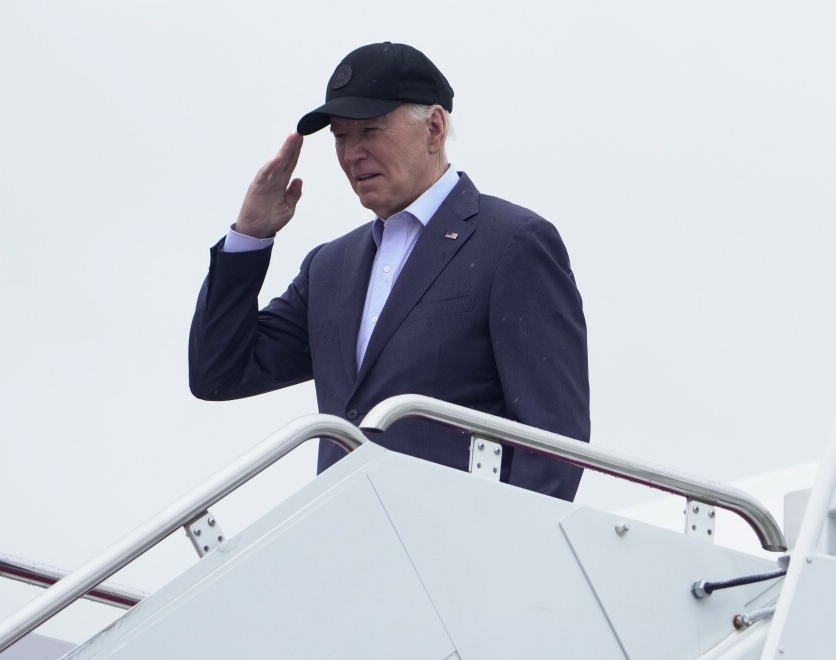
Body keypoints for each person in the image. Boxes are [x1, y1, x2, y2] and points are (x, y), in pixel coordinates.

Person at [189, 42, 590, 500]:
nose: (352, 153)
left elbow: (554, 442)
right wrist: (250, 237)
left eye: (370, 130)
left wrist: (496, 560)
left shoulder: (512, 242)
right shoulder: (329, 268)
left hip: (457, 555)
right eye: (341, 137)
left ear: (434, 128)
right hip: (346, 549)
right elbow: (218, 373)